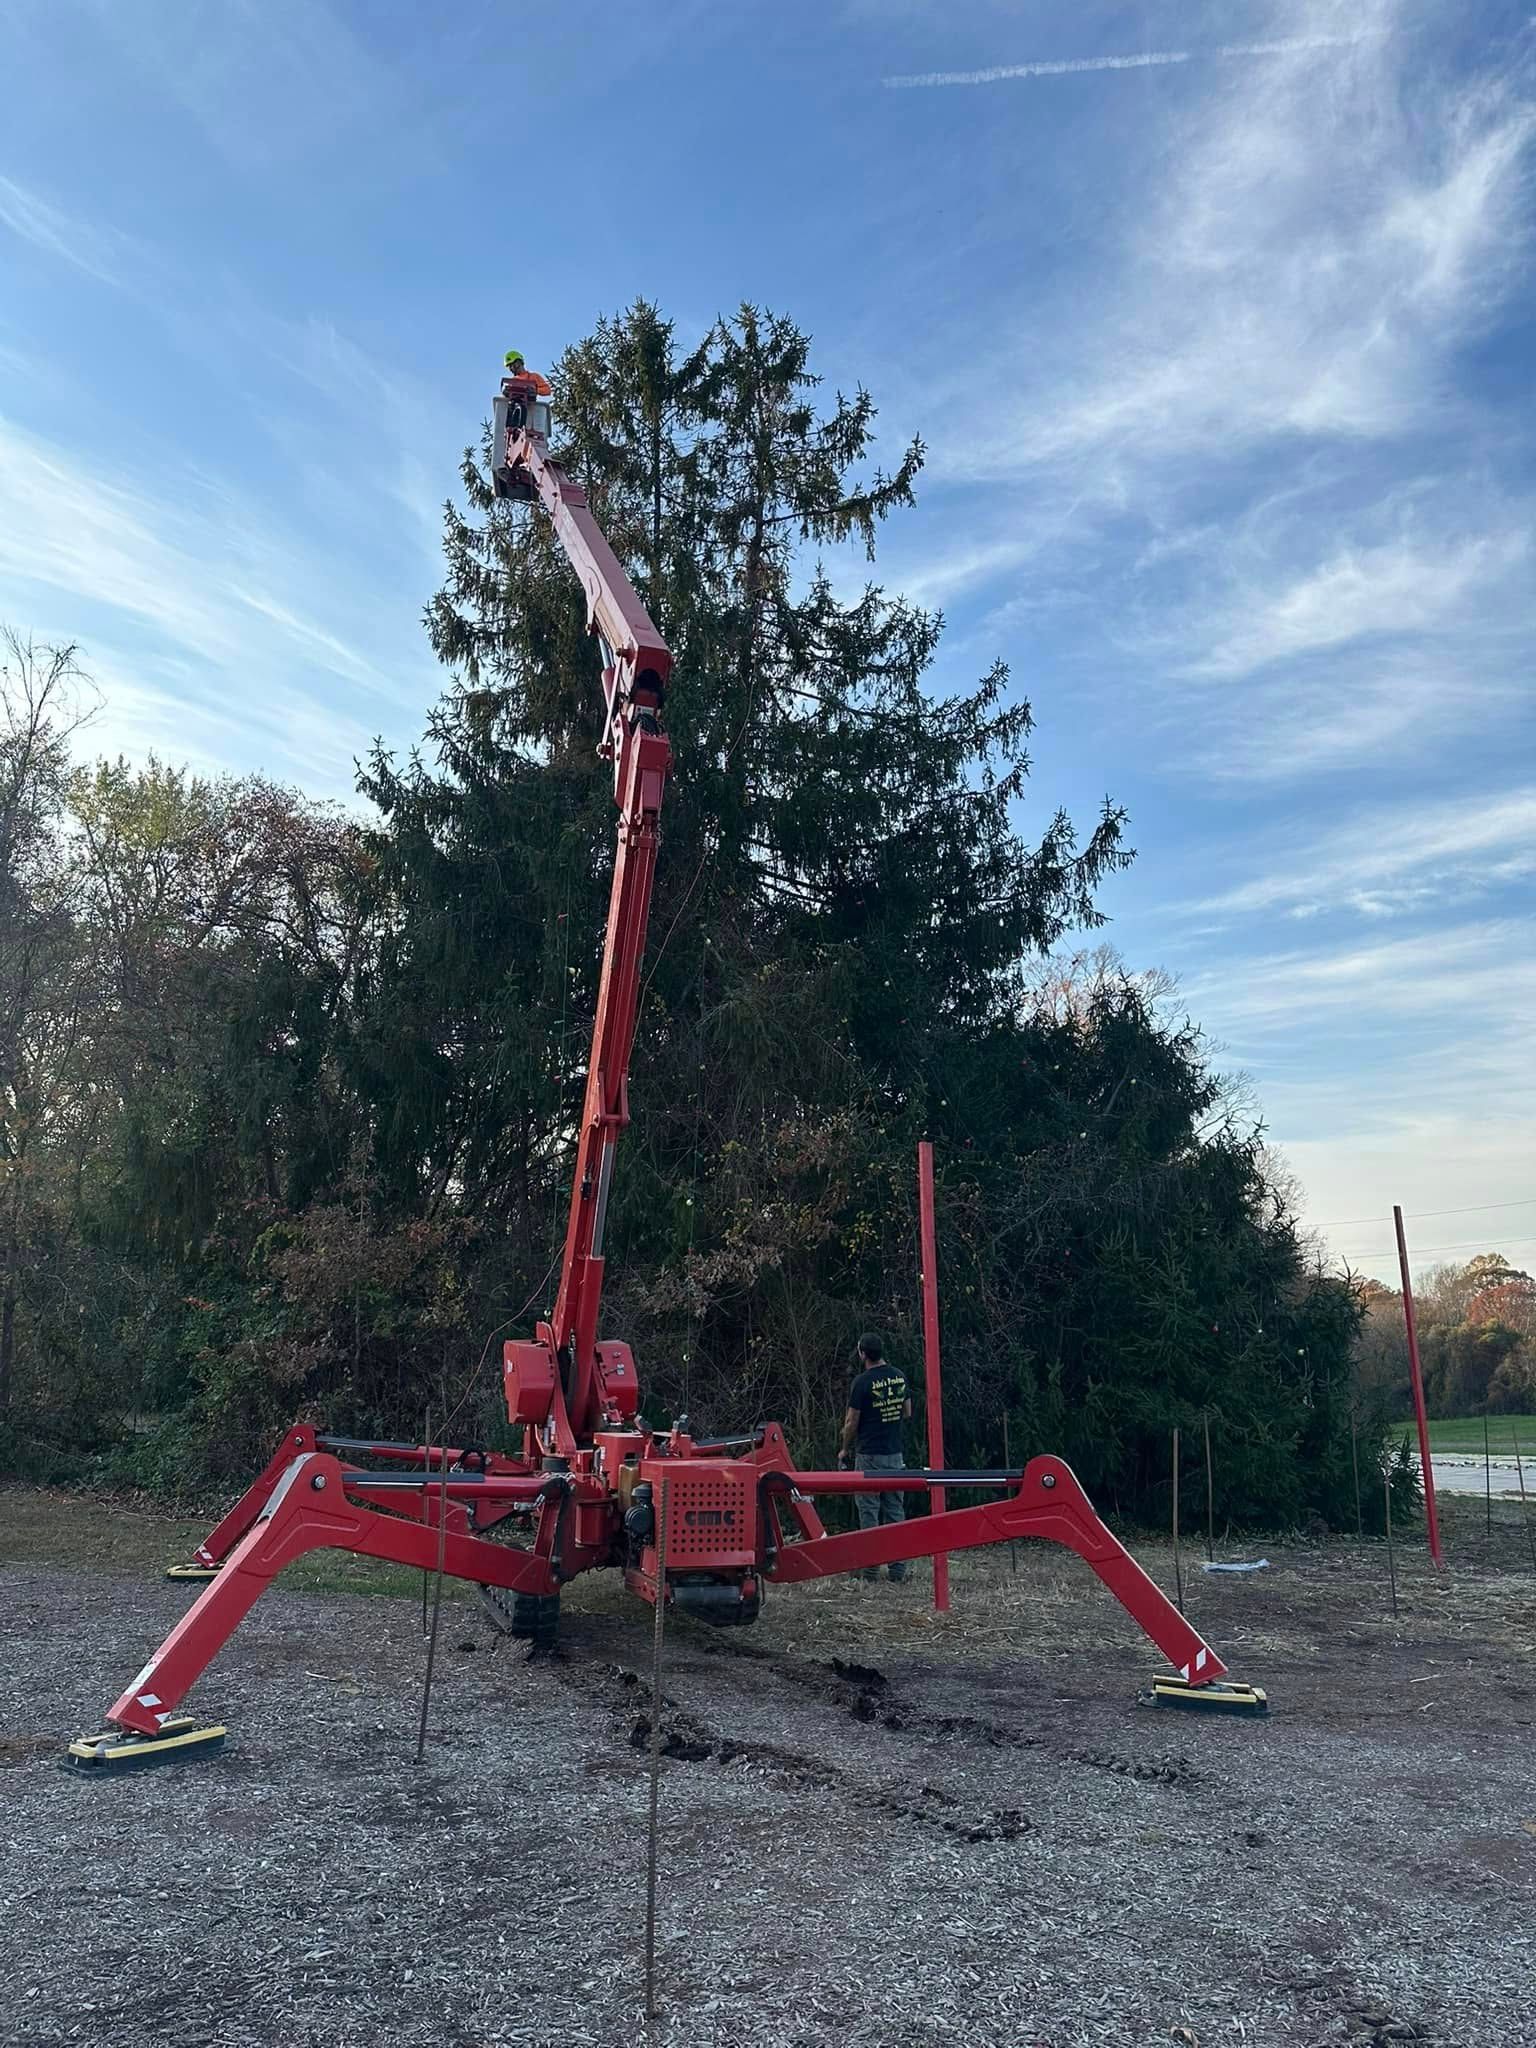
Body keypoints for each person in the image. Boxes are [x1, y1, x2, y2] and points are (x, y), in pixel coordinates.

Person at [838, 1334, 911, 1583]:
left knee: (869, 1511)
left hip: (869, 1454)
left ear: (862, 1354)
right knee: (894, 1510)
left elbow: (851, 1422)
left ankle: (870, 1571)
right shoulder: (899, 1375)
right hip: (894, 1453)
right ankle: (898, 1570)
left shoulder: (861, 1382)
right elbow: (907, 1411)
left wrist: (844, 1449)